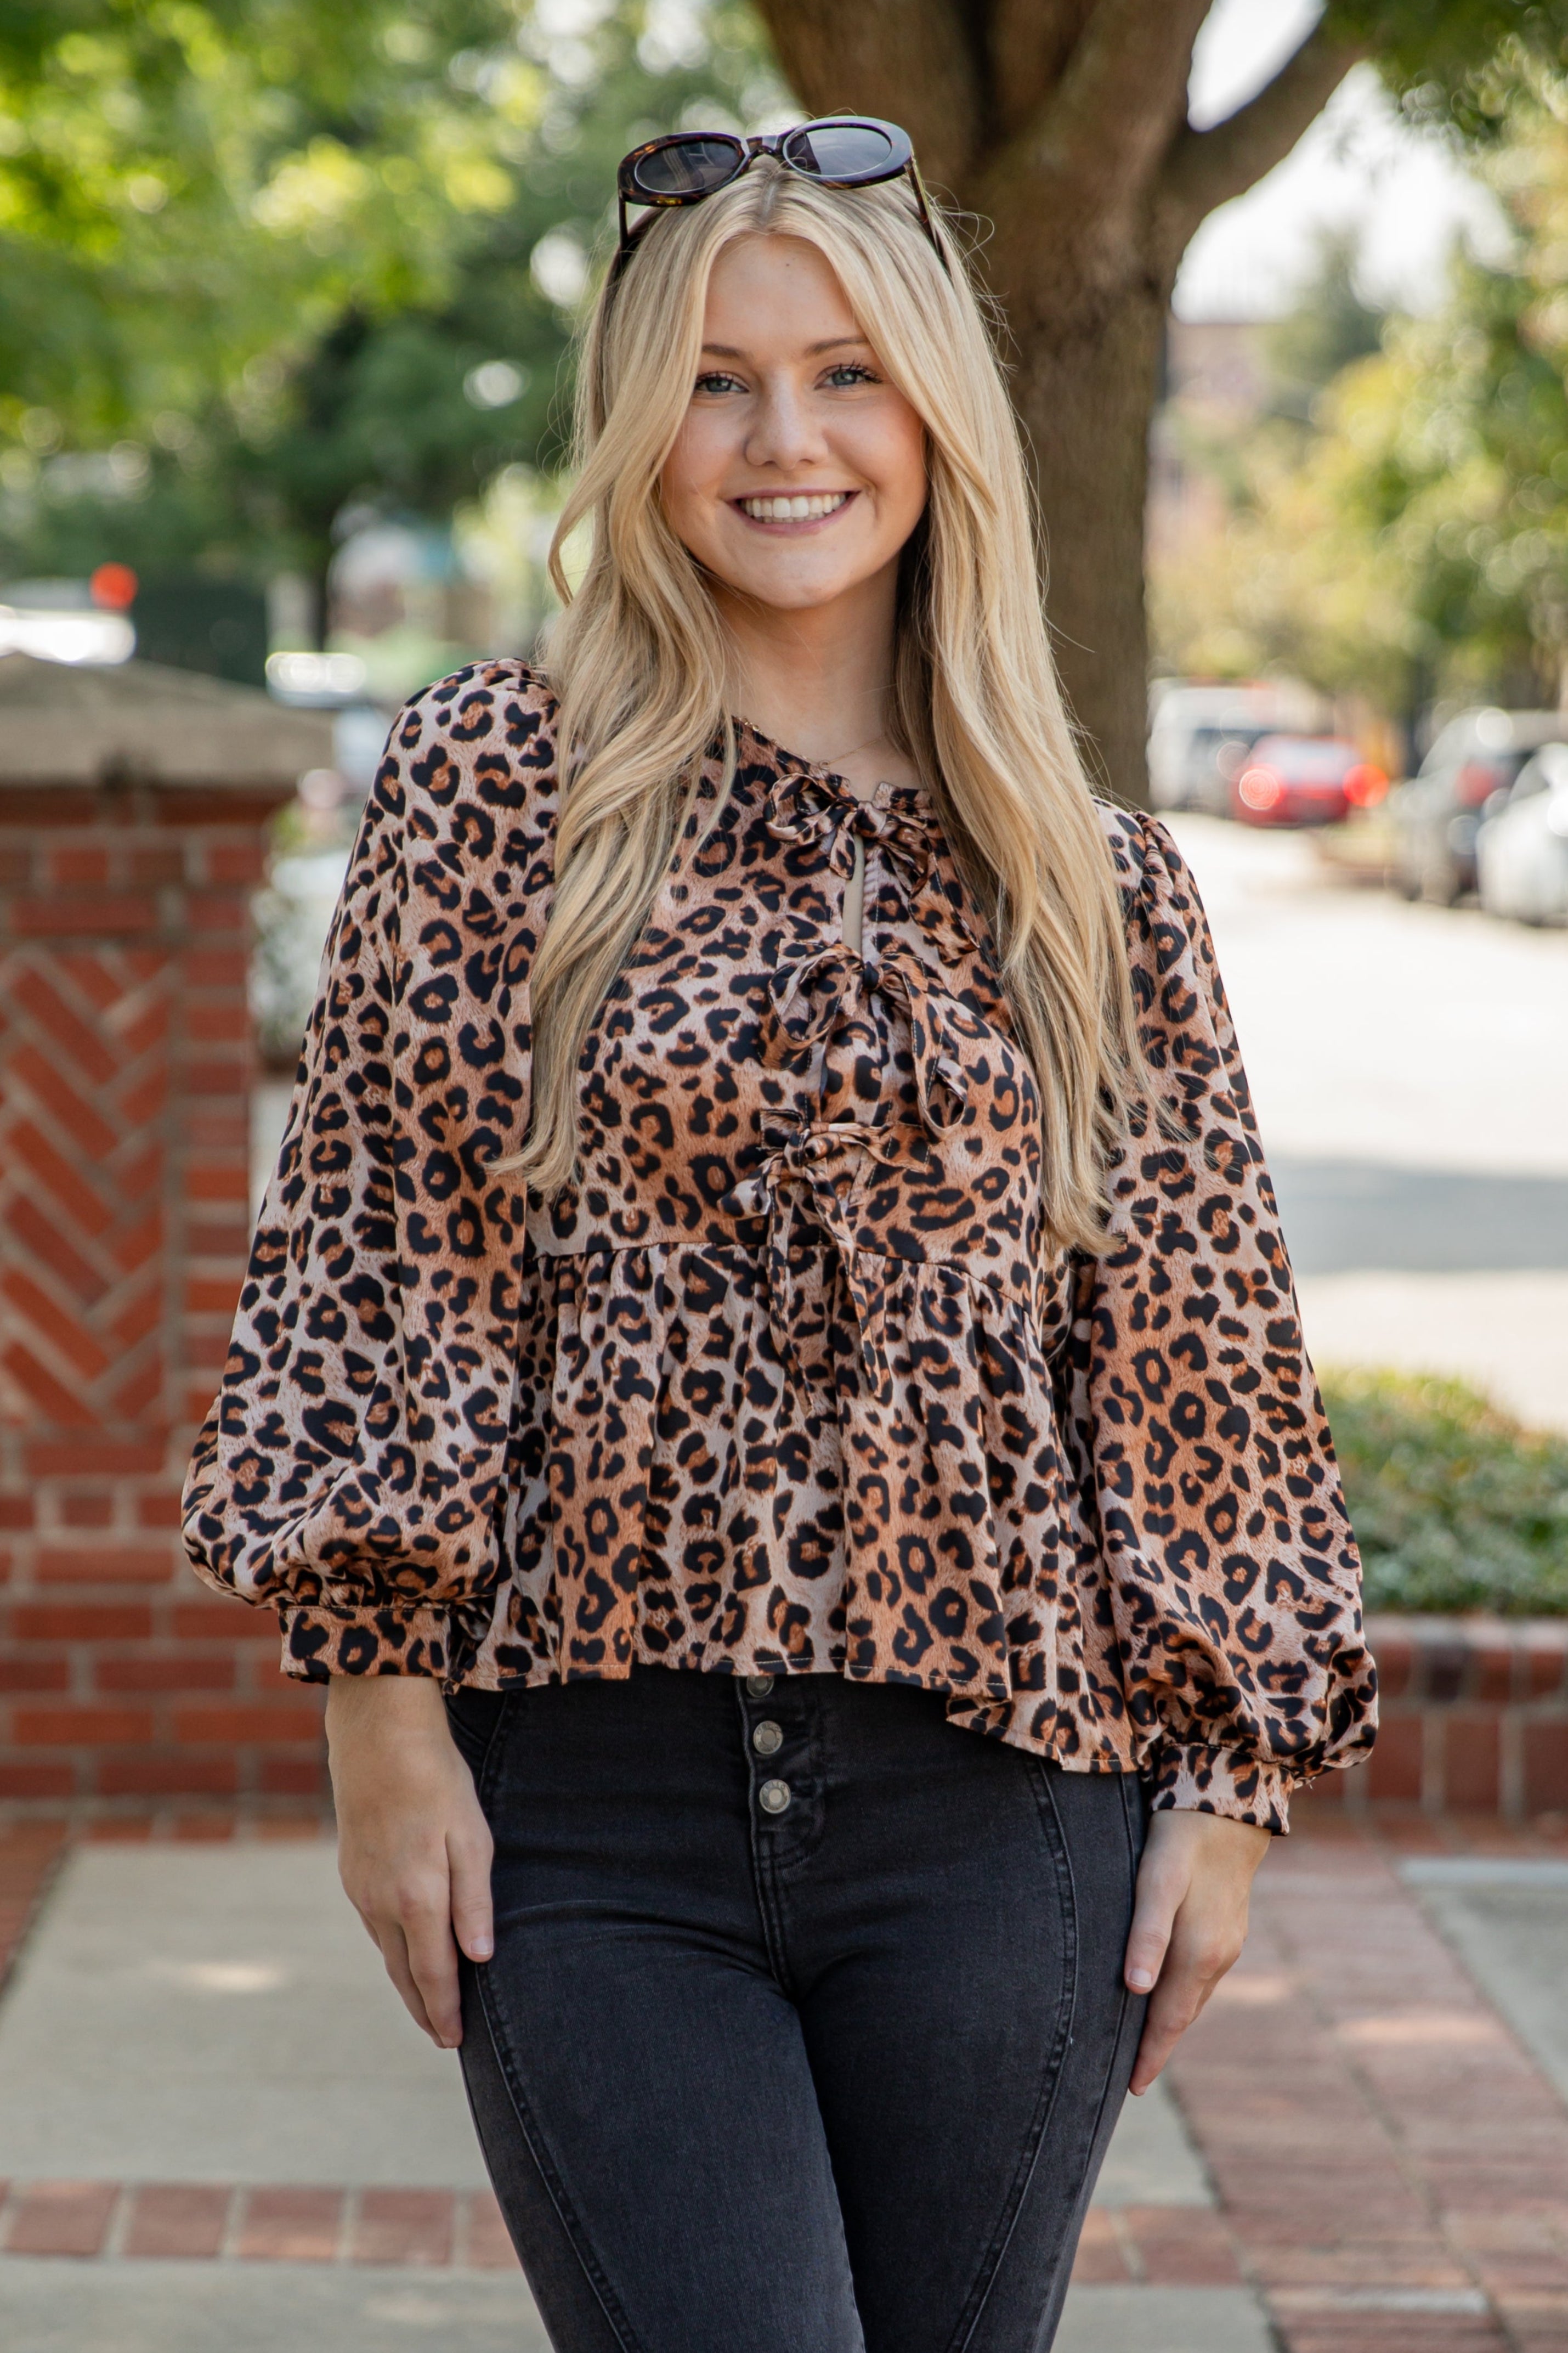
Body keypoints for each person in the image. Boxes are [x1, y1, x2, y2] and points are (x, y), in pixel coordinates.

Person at [184, 117, 1375, 2353]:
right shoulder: (487, 784)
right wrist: (378, 1711)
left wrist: (1223, 1782)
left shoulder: (1089, 879)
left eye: (843, 371)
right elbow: (378, 1257)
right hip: (592, 1804)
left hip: (1002, 1817)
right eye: (718, 379)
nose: (783, 436)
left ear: (934, 410)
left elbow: (1196, 1346)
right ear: (641, 424)